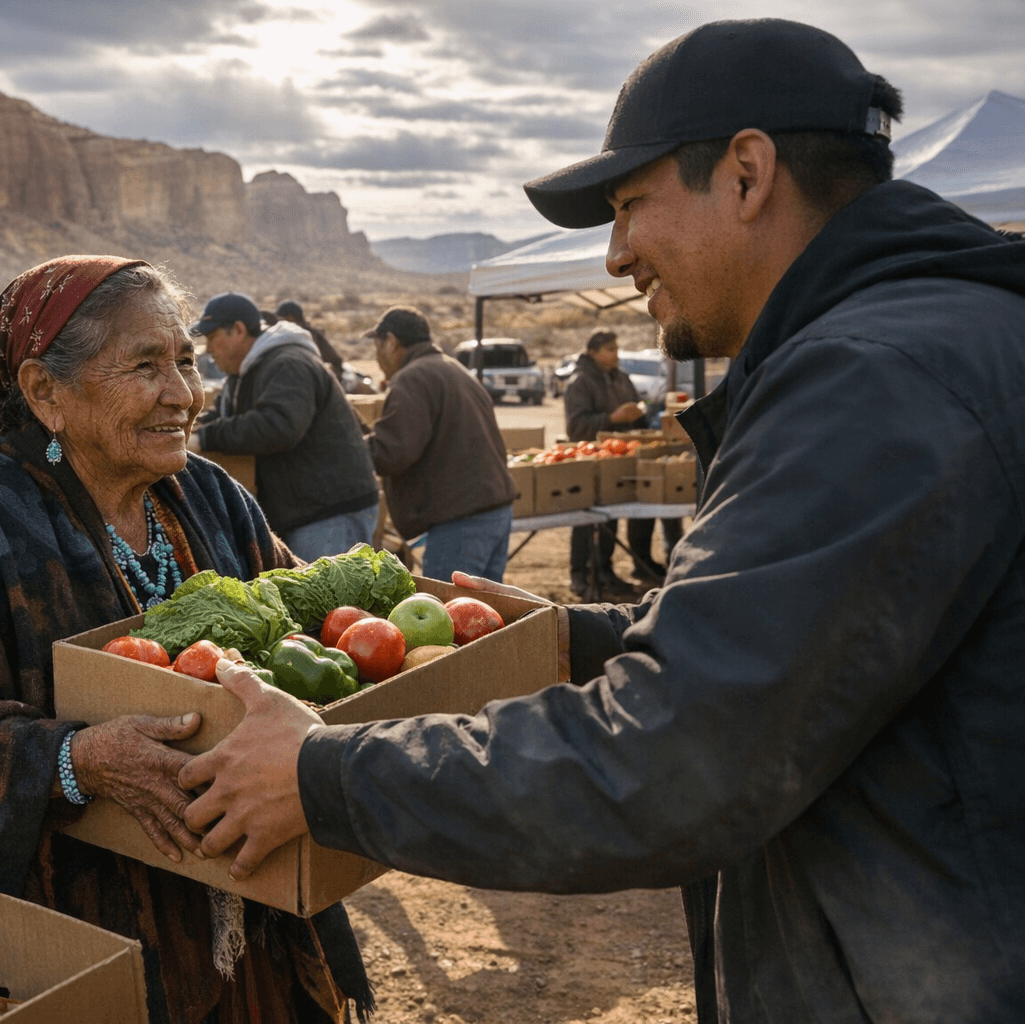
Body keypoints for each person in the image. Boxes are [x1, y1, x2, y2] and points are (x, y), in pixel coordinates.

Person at [177, 18, 1025, 1023]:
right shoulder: (938, 337)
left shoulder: (870, 379)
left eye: (629, 205)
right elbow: (828, 645)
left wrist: (323, 775)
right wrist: (571, 641)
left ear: (747, 173)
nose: (618, 254)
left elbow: (676, 760)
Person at [0, 257, 372, 1024]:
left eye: (185, 360)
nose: (183, 394)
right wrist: (71, 762)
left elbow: (308, 627)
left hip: (255, 913)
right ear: (45, 391)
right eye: (145, 366)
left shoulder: (207, 495)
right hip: (81, 952)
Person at [193, 291, 379, 562]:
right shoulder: (244, 374)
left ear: (238, 330)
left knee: (327, 600)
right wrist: (192, 430)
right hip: (305, 511)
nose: (208, 349)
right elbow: (224, 416)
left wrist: (204, 439)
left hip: (329, 512)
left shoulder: (287, 364)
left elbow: (278, 426)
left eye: (212, 338)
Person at [365, 306, 515, 582]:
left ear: (391, 341)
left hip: (461, 521)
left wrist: (353, 447)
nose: (377, 359)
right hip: (493, 511)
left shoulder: (412, 378)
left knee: (449, 616)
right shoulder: (452, 368)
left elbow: (393, 452)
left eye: (377, 347)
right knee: (486, 614)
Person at [563, 328, 677, 596]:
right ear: (593, 352)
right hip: (593, 462)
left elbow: (638, 412)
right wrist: (612, 419)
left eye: (616, 348)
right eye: (610, 349)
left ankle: (633, 564)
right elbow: (576, 427)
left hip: (623, 458)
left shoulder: (622, 378)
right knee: (590, 519)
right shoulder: (580, 383)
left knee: (633, 511)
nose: (616, 354)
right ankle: (583, 574)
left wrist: (640, 414)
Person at [274, 300, 345, 381]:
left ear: (291, 317)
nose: (279, 322)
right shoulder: (301, 333)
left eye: (281, 318)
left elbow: (335, 361)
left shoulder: (306, 335)